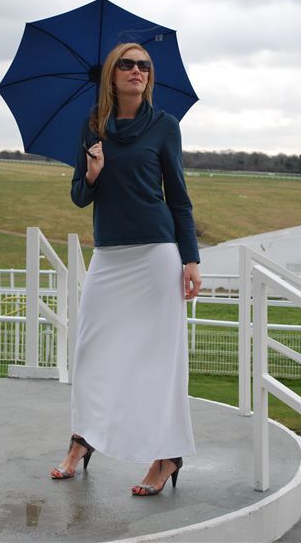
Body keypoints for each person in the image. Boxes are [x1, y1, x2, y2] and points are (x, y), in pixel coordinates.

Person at [50, 42, 202, 496]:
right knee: (90, 351)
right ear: (112, 75)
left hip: (157, 253)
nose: (137, 70)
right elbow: (79, 196)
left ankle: (167, 455)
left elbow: (178, 197)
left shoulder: (165, 126)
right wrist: (93, 172)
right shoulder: (93, 127)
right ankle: (83, 440)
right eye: (127, 64)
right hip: (110, 255)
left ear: (149, 76)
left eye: (144, 65)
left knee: (161, 359)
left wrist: (190, 258)